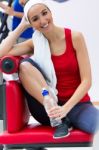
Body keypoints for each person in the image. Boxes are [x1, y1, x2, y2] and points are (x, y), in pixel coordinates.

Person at [0, 0, 99, 139]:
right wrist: (22, 26)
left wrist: (65, 109)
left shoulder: (75, 37)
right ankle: (61, 120)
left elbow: (87, 81)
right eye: (35, 19)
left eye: (44, 13)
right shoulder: (35, 43)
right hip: (49, 109)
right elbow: (1, 53)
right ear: (31, 24)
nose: (42, 20)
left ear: (51, 12)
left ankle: (64, 118)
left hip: (77, 105)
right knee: (25, 65)